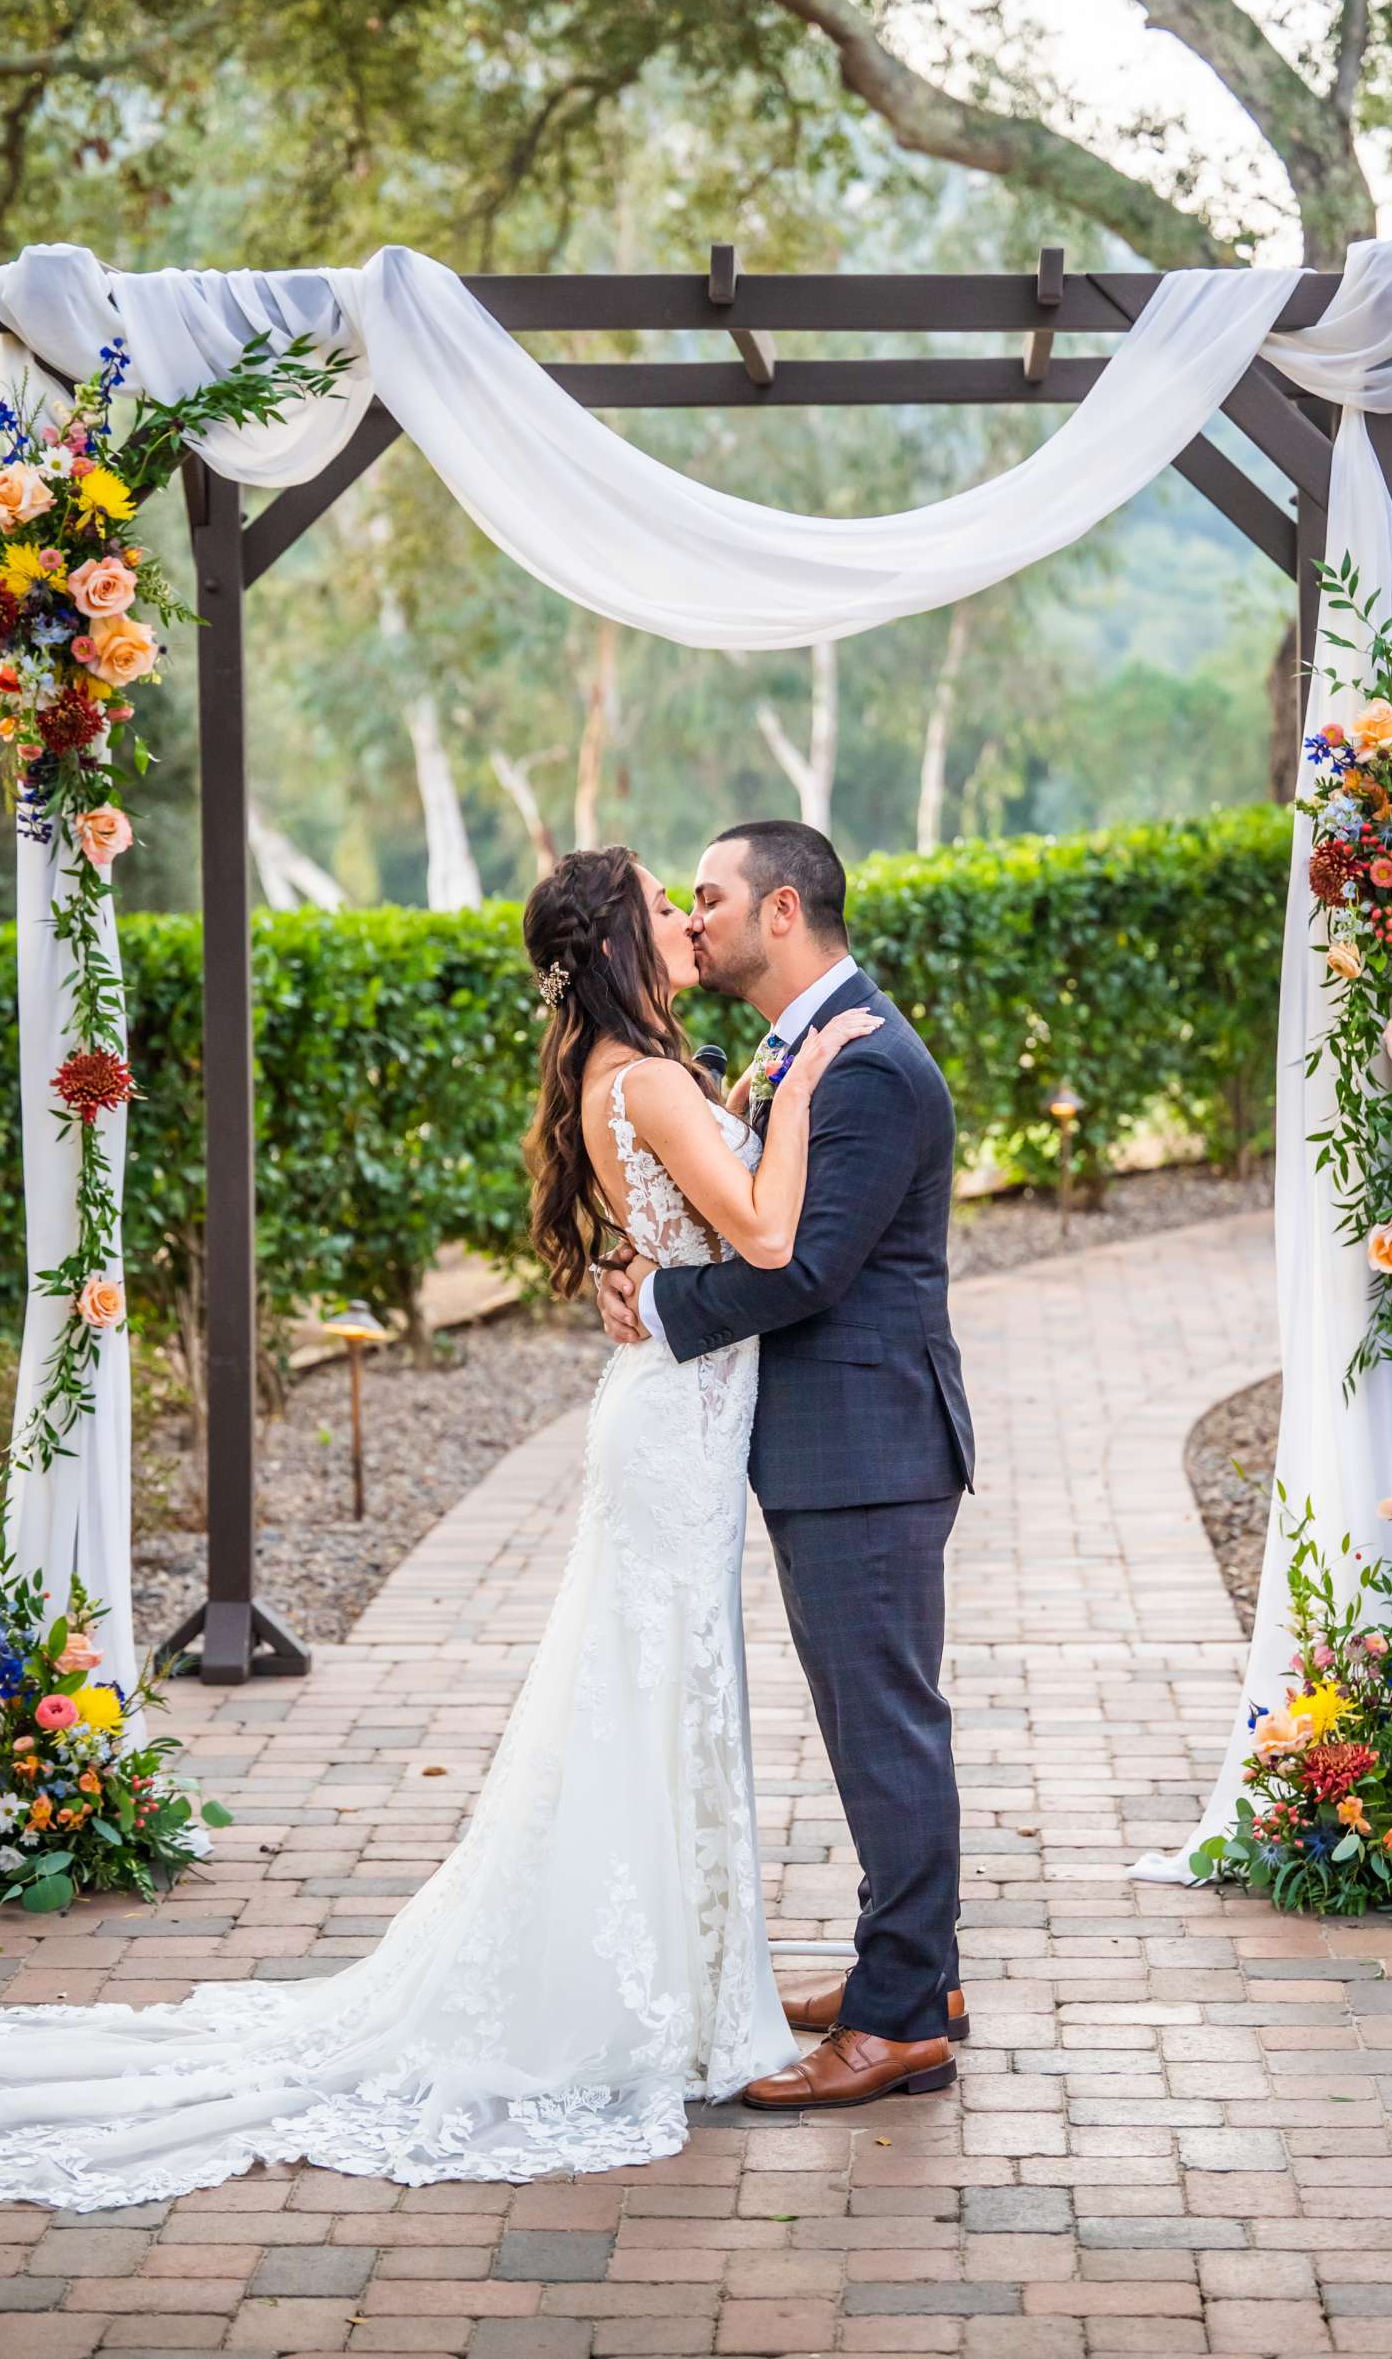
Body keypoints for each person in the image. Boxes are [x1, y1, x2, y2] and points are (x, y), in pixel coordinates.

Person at [0, 844, 879, 2208]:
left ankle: (688, 1979)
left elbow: (679, 1223)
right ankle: (661, 1995)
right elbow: (773, 1237)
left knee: (660, 1695)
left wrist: (741, 1113)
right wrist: (808, 1080)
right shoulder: (655, 1080)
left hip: (671, 1415)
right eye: (663, 906)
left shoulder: (627, 1074)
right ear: (615, 943)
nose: (683, 920)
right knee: (659, 1692)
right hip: (671, 1432)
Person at [594, 818, 975, 2110]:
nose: (689, 920)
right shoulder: (797, 1047)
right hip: (834, 1443)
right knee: (870, 1722)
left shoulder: (860, 1065)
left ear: (781, 913)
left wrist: (657, 1311)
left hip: (864, 1445)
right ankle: (909, 1971)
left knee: (883, 1732)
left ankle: (902, 2020)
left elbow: (806, 1268)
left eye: (708, 897)